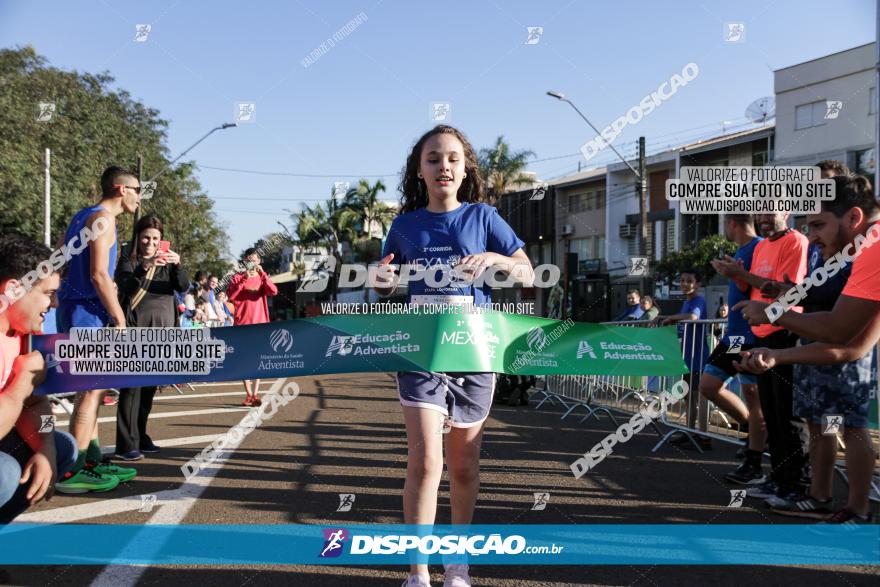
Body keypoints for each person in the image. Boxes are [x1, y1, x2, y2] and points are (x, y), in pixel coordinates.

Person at [374, 125, 534, 587]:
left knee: (464, 465)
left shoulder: (483, 217)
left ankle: (458, 564)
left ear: (465, 169)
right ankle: (418, 572)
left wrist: (496, 260)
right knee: (425, 462)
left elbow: (528, 270)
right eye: (432, 158)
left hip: (474, 351)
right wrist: (382, 282)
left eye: (452, 158)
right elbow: (386, 283)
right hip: (421, 352)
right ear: (419, 170)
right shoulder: (404, 225)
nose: (443, 165)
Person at [735, 175, 878, 524]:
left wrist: (774, 316)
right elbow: (850, 343)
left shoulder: (871, 249)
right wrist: (777, 353)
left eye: (817, 225)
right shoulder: (856, 246)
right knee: (821, 424)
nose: (812, 236)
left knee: (852, 426)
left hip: (838, 354)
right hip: (826, 349)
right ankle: (824, 496)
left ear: (853, 216)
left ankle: (857, 509)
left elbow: (842, 336)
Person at [54, 166, 140, 494]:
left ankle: (91, 460)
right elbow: (99, 275)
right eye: (136, 190)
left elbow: (59, 257)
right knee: (89, 392)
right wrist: (119, 318)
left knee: (94, 390)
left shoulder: (82, 216)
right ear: (121, 189)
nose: (139, 197)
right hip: (88, 314)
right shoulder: (104, 219)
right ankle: (71, 471)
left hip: (75, 309)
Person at [715, 211, 810, 504]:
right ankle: (777, 477)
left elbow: (790, 292)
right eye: (760, 210)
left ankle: (796, 483)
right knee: (771, 412)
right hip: (760, 335)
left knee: (787, 414)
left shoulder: (796, 241)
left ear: (787, 211)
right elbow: (756, 288)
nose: (764, 216)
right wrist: (735, 276)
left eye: (771, 209)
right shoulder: (762, 247)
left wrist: (741, 275)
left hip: (788, 333)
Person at [0, 233, 78, 523]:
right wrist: (21, 386)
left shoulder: (24, 336)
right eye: (48, 293)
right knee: (4, 473)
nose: (55, 303)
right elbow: (23, 395)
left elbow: (37, 404)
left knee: (62, 446)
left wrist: (45, 449)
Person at [114, 215, 188, 461]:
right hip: (136, 331)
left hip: (163, 332)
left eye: (155, 238)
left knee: (148, 388)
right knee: (131, 388)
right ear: (138, 237)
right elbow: (125, 286)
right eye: (146, 237)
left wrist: (178, 265)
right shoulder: (128, 258)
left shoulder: (167, 262)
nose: (150, 242)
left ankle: (141, 436)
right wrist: (144, 265)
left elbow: (183, 287)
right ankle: (126, 444)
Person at [698, 215, 766, 483]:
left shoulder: (760, 247)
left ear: (731, 224)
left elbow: (761, 287)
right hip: (733, 336)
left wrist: (737, 276)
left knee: (753, 395)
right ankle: (755, 432)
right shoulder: (740, 250)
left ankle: (755, 454)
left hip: (754, 335)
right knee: (708, 385)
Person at [656, 269, 709, 446]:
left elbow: (693, 317)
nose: (685, 284)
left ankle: (703, 437)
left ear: (698, 284)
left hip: (698, 356)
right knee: (689, 397)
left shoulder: (698, 300)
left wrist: (672, 318)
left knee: (699, 397)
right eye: (683, 280)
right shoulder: (686, 302)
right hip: (687, 356)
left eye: (690, 281)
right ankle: (689, 432)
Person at [227, 249, 278, 407]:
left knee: (258, 360)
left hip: (260, 325)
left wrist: (263, 275)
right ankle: (249, 394)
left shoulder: (263, 278)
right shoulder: (236, 277)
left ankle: (255, 394)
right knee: (244, 361)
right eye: (249, 260)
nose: (252, 263)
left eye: (255, 260)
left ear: (259, 262)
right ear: (244, 262)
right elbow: (231, 296)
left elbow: (274, 291)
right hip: (242, 325)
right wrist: (243, 279)